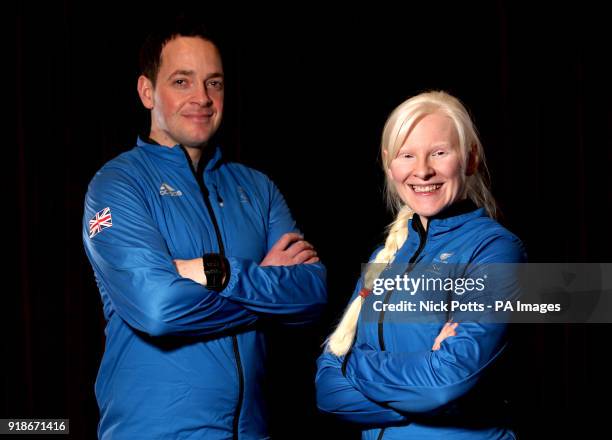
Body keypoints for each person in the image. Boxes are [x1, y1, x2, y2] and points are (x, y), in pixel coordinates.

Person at [82, 18, 327, 439]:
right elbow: (158, 310)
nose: (202, 98)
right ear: (147, 92)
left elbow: (311, 294)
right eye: (182, 81)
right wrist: (267, 284)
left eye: (214, 83)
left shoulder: (257, 187)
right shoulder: (117, 184)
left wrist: (219, 272)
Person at [315, 91, 526, 439]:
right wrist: (418, 388)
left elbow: (441, 385)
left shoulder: (496, 250)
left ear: (469, 159)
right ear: (388, 163)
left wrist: (351, 363)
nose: (423, 170)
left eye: (439, 153)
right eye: (407, 155)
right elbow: (327, 391)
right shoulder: (386, 254)